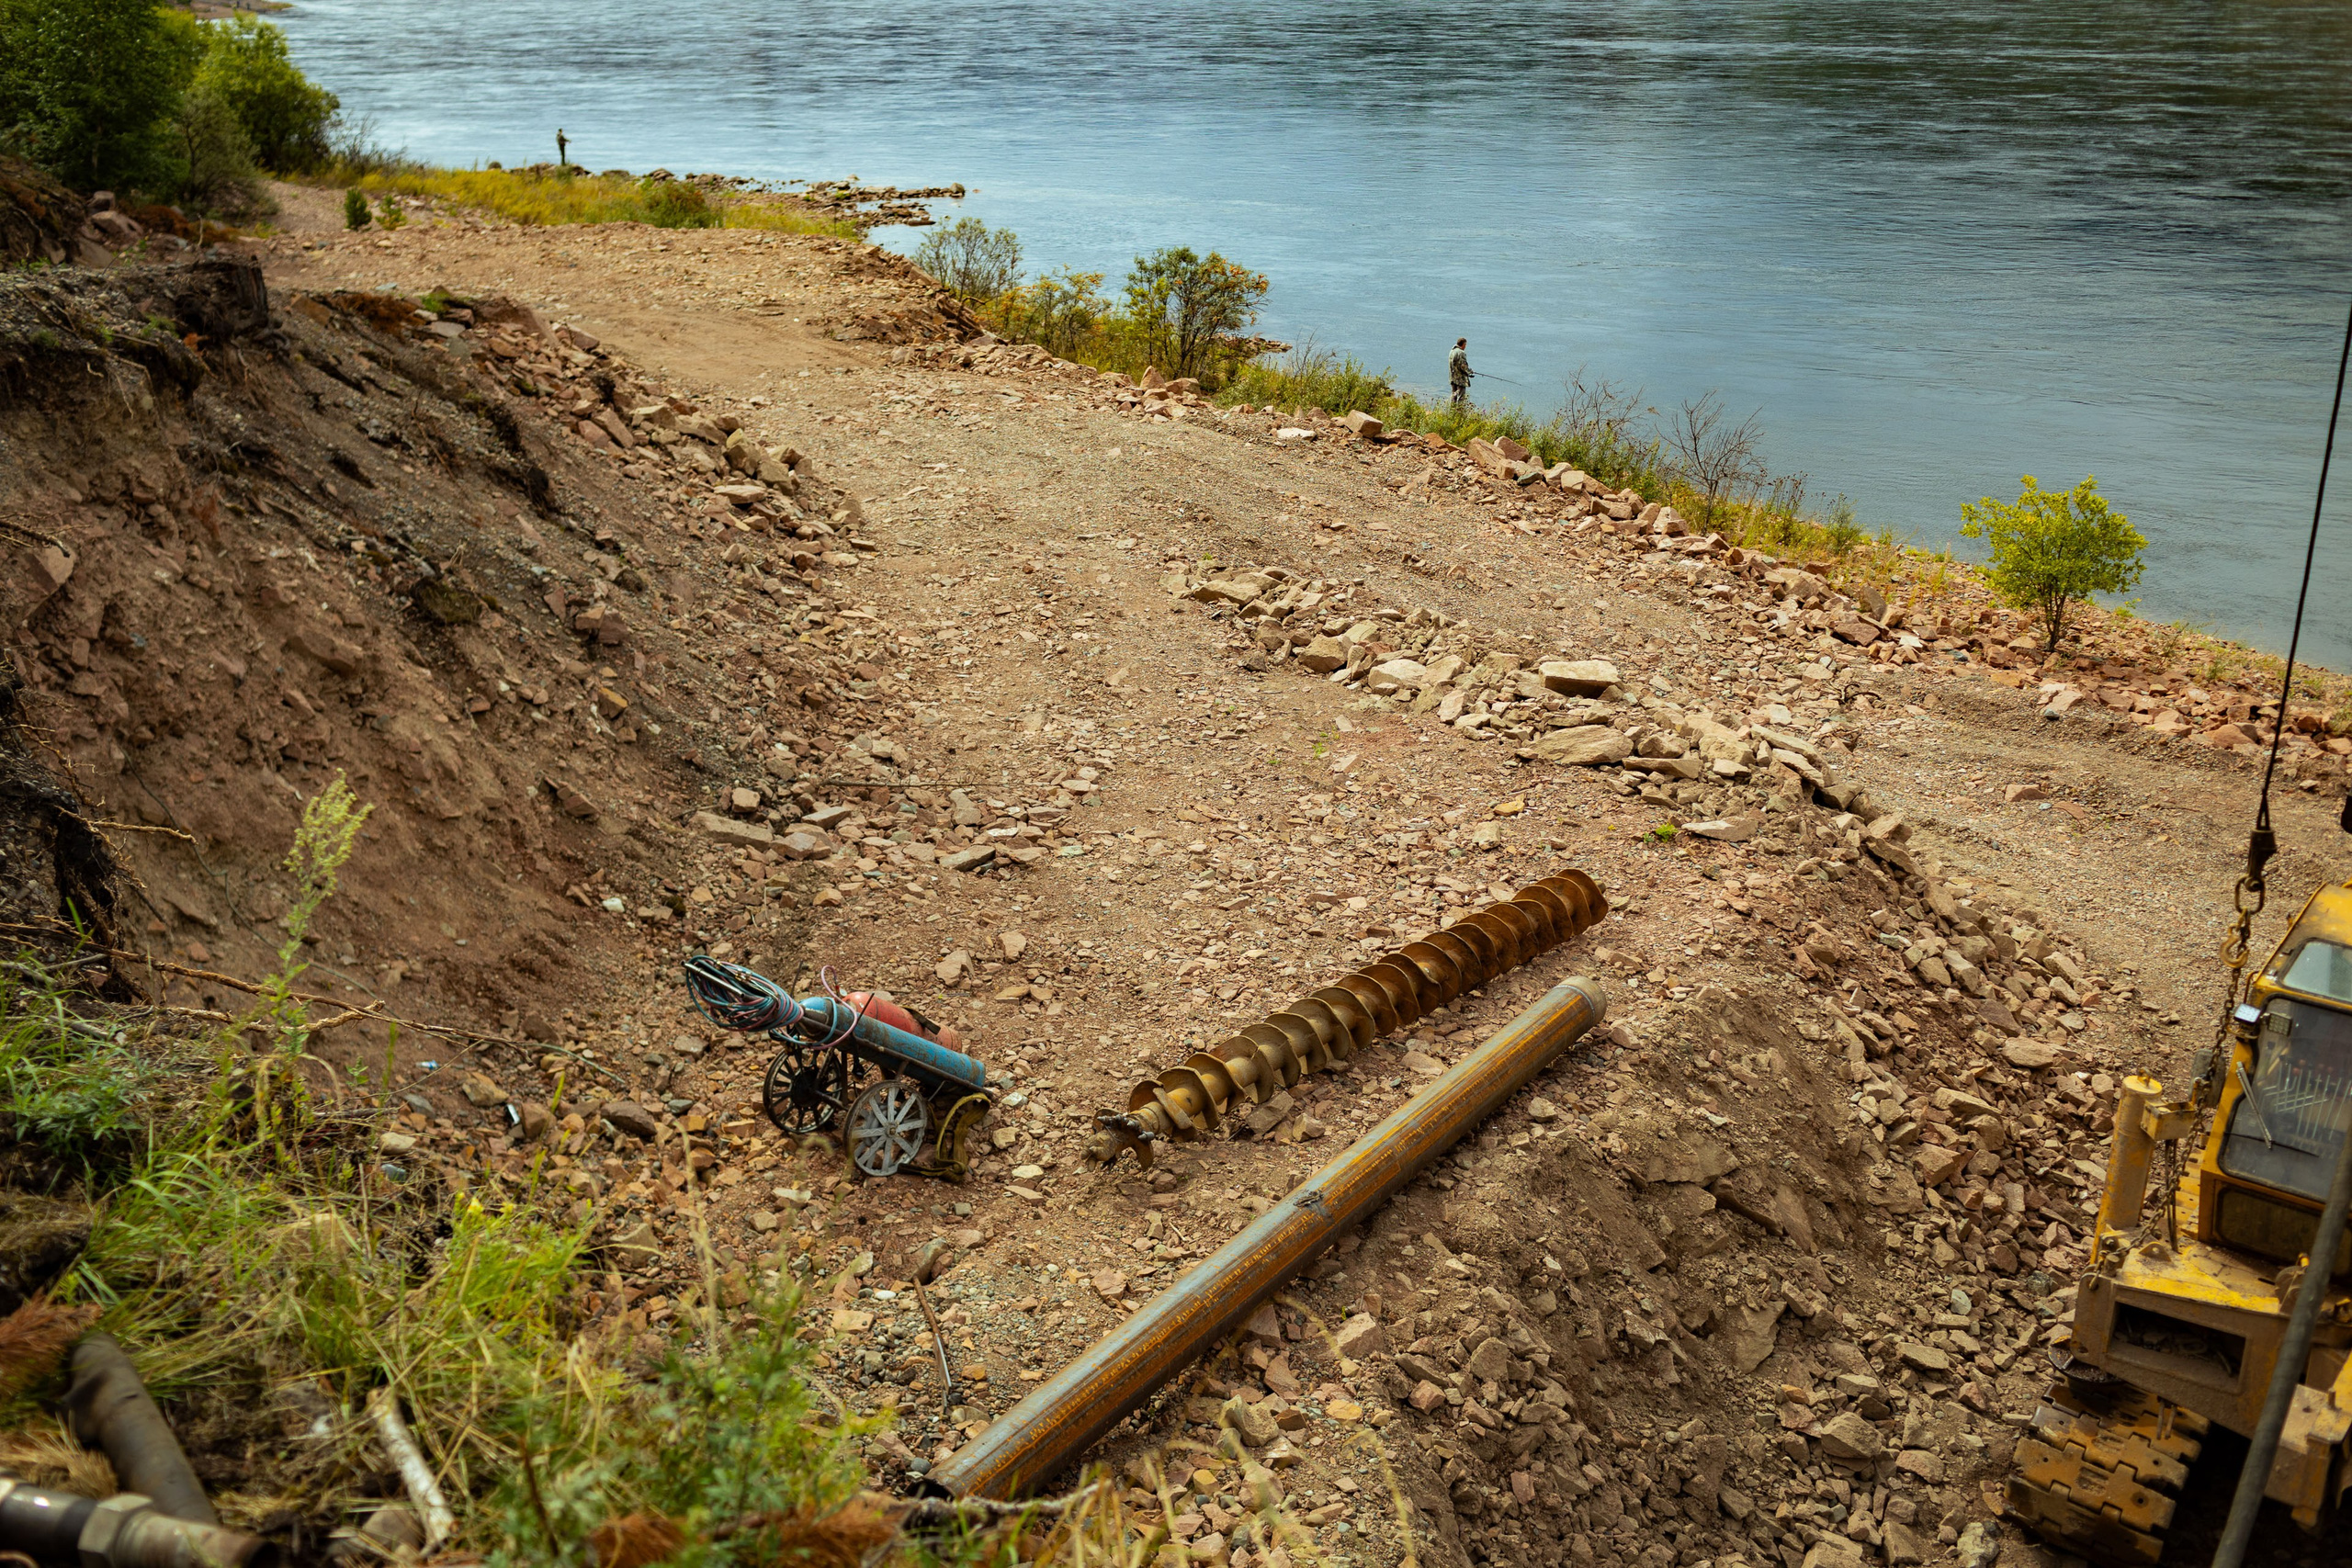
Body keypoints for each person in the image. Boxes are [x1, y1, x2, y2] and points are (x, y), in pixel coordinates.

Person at [1448, 338, 1471, 409]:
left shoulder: (1452, 351)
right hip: (1460, 379)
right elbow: (1463, 366)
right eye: (1465, 344)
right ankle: (1459, 413)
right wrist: (1470, 372)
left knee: (1454, 396)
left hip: (1452, 377)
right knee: (1461, 397)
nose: (1465, 346)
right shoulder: (1461, 353)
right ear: (1463, 344)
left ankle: (1452, 412)